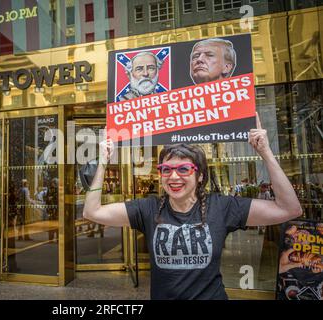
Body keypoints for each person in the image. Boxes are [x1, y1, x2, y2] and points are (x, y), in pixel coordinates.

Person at [83, 113, 302, 299]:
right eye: (166, 169)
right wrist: (103, 162)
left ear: (200, 176)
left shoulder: (222, 207)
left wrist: (265, 152)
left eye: (184, 169)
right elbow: (92, 212)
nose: (173, 176)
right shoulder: (148, 209)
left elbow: (289, 209)